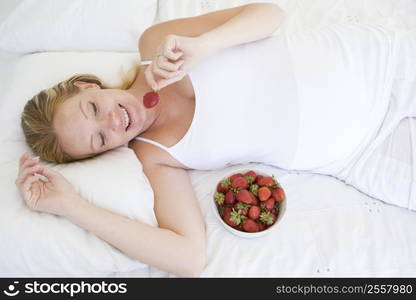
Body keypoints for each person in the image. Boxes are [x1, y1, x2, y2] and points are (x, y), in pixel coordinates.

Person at [15, 2, 416, 276]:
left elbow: (269, 14)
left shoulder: (155, 44)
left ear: (88, 85)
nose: (113, 123)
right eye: (100, 139)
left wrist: (204, 47)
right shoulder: (156, 158)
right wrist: (70, 206)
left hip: (379, 63)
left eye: (93, 108)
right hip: (362, 154)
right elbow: (188, 258)